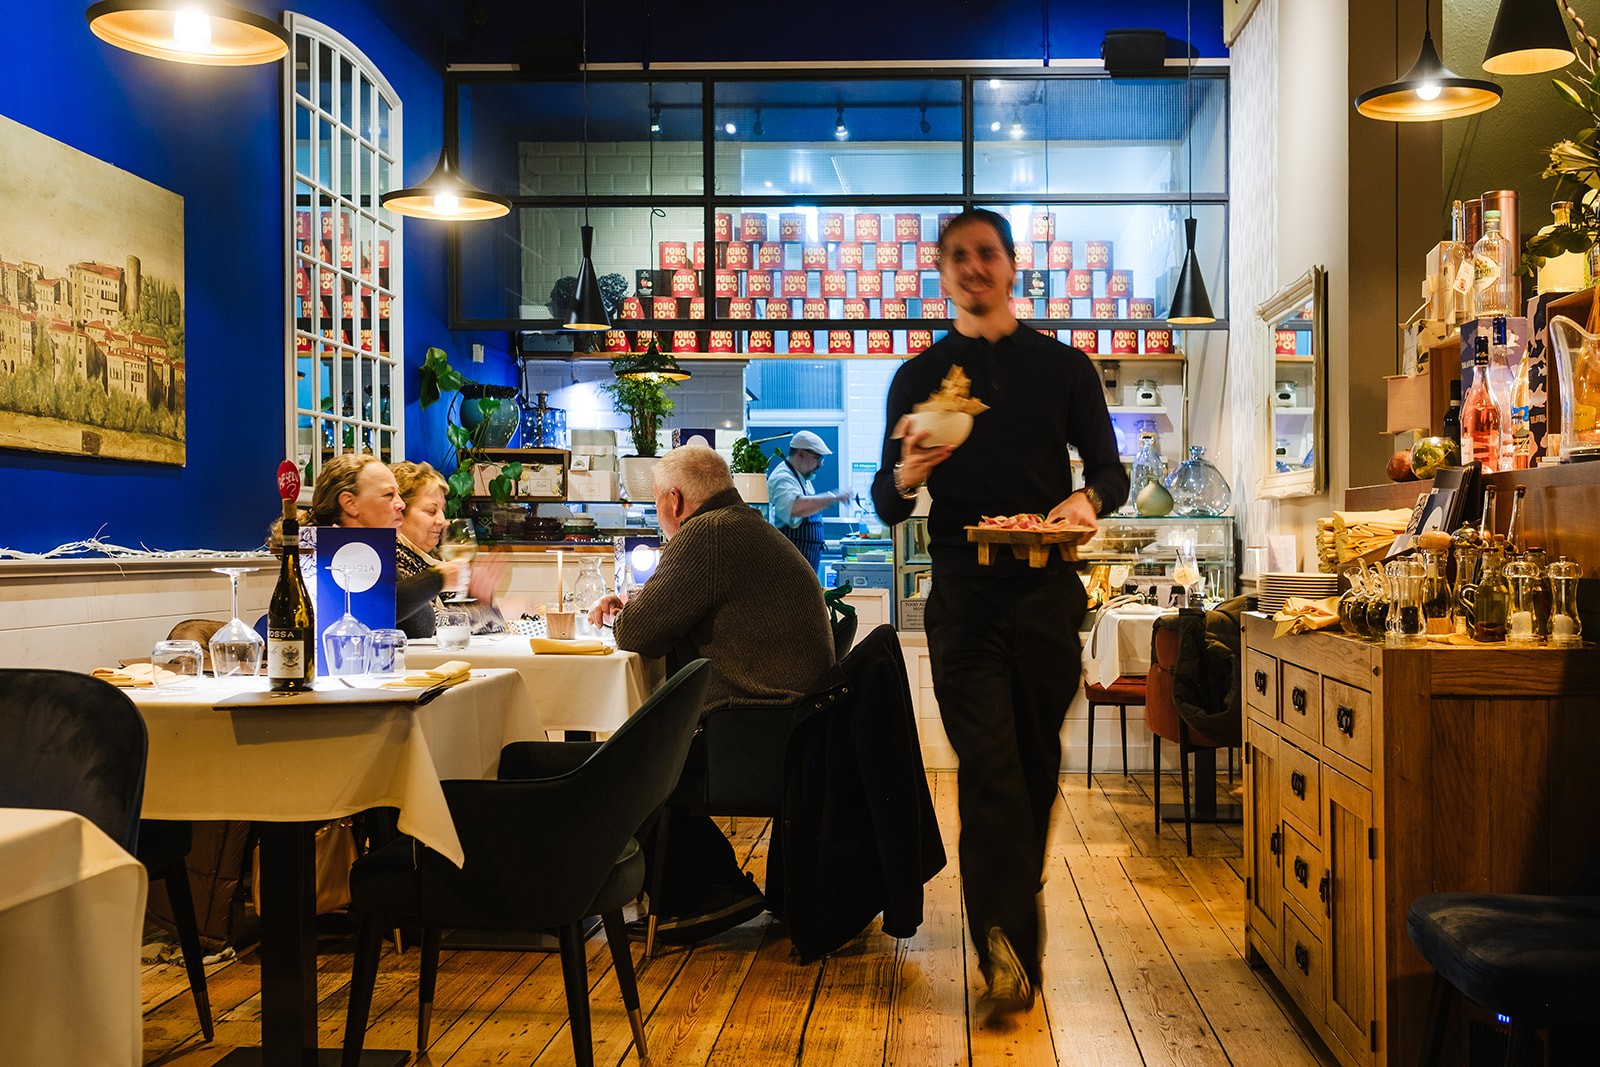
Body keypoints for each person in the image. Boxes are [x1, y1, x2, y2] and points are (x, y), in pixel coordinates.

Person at [870, 208, 1129, 1018]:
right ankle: (1003, 949)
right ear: (942, 273)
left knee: (1034, 762)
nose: (974, 268)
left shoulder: (1065, 368)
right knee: (987, 765)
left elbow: (1113, 475)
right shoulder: (919, 378)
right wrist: (909, 469)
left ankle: (1012, 884)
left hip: (1050, 590)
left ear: (1013, 266)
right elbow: (885, 501)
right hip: (962, 593)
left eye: (987, 254)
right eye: (958, 257)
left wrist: (1083, 500)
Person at [589, 444, 836, 941]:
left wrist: (632, 609)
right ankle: (713, 887)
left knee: (624, 760)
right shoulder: (739, 524)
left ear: (674, 501)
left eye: (657, 502)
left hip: (754, 735)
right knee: (649, 745)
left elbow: (636, 634)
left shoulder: (706, 534)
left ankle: (704, 893)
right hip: (796, 728)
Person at [391, 461, 506, 639]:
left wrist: (480, 598)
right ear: (400, 513)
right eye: (431, 511)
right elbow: (438, 623)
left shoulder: (430, 556)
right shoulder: (395, 558)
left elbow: (464, 616)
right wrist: (489, 610)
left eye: (442, 510)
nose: (442, 520)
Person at [766, 430, 852, 571]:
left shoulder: (802, 479)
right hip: (789, 568)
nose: (821, 464)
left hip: (802, 565)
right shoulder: (782, 477)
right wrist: (834, 497)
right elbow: (795, 506)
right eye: (817, 458)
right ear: (800, 454)